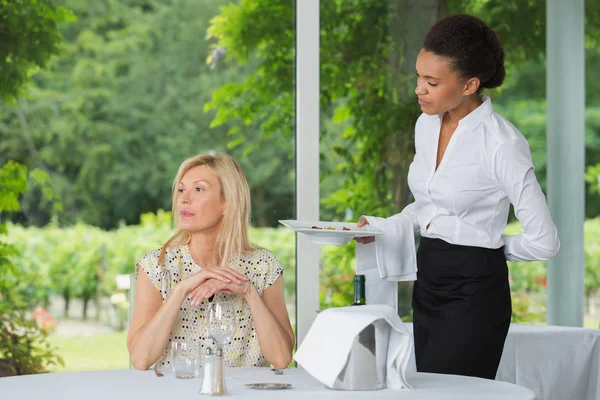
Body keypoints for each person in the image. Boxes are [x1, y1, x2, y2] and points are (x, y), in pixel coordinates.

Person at [356, 14, 560, 379]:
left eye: (432, 82)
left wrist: (487, 247)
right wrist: (387, 226)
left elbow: (544, 242)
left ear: (470, 85)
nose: (419, 89)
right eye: (419, 77)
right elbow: (429, 207)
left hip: (475, 293)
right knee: (428, 387)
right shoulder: (426, 124)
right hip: (428, 278)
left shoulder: (502, 144)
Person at [127, 153, 294, 372]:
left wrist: (249, 292)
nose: (184, 199)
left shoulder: (263, 266)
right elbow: (140, 359)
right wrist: (181, 289)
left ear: (228, 202)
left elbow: (282, 359)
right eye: (181, 189)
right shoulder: (156, 266)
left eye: (199, 189)